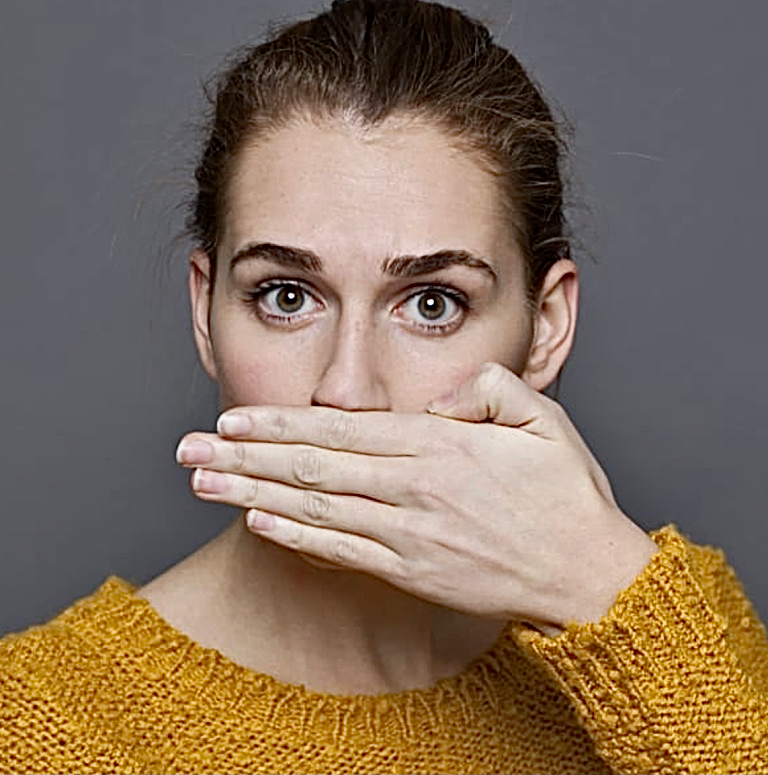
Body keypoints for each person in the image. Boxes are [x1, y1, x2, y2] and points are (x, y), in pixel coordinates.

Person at [2, 0, 767, 772]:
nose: (346, 389)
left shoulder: (671, 622)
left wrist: (606, 594)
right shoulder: (46, 721)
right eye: (287, 296)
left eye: (432, 304)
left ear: (546, 328)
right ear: (205, 311)